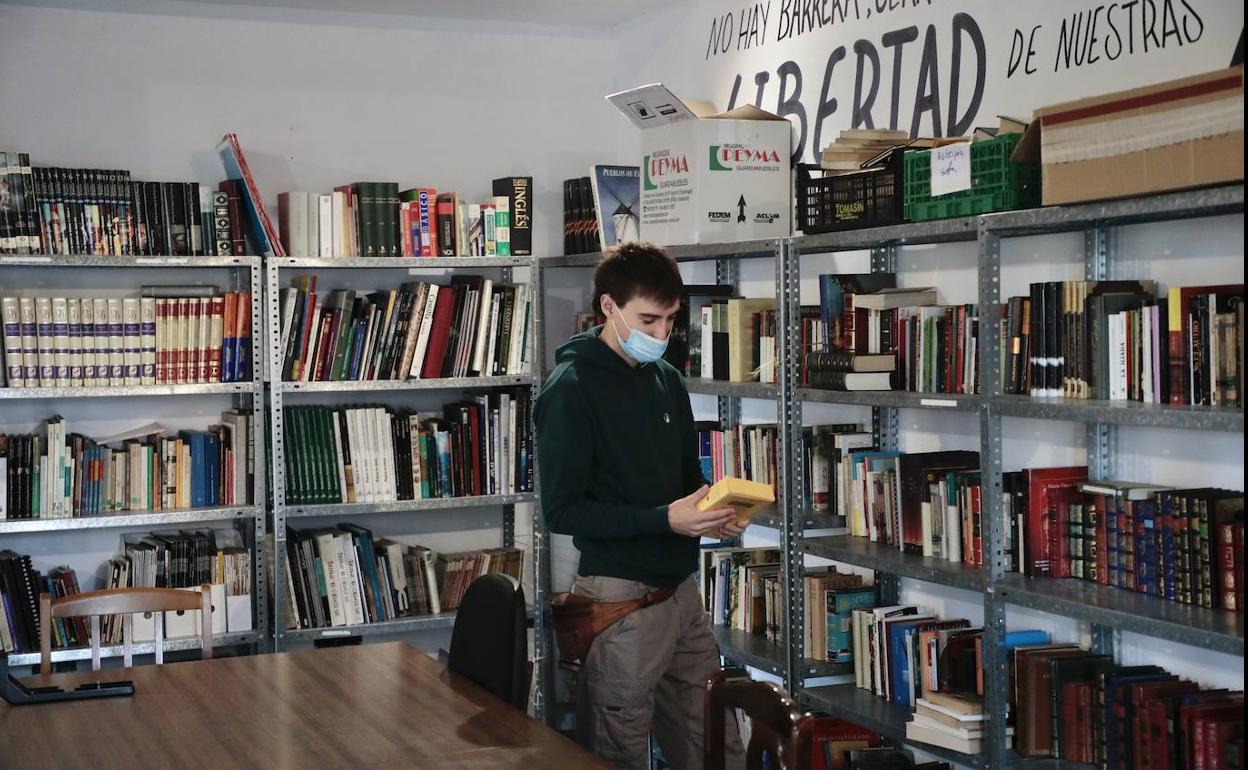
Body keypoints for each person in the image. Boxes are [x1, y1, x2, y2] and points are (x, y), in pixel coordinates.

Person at [535, 243, 747, 770]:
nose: (660, 336)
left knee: (719, 748)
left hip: (682, 597)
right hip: (618, 601)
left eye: (671, 321)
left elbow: (687, 480)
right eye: (648, 320)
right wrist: (664, 520)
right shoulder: (571, 388)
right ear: (609, 307)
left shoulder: (667, 380)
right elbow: (561, 512)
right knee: (616, 753)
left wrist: (717, 508)